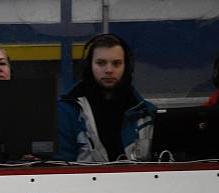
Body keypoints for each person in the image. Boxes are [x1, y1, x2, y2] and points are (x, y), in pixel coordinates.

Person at [55, 34, 156, 162]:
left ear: (127, 67)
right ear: (89, 66)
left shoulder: (146, 112)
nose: (109, 70)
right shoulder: (68, 111)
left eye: (117, 63)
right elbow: (60, 167)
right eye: (101, 63)